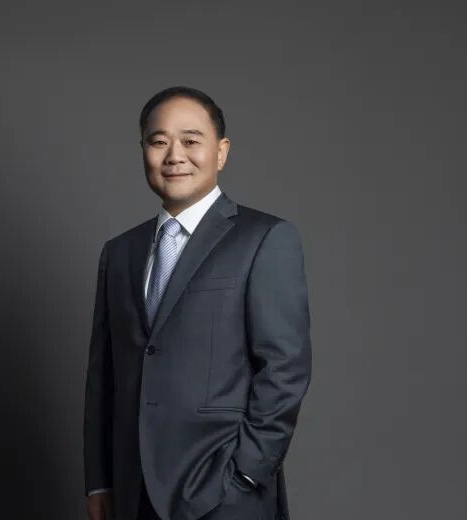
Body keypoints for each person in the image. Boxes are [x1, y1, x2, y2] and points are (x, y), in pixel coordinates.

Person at [84, 86, 312, 520]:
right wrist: (100, 479)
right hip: (132, 491)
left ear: (221, 152)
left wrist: (245, 474)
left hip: (224, 491)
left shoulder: (264, 239)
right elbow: (104, 375)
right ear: (143, 151)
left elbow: (285, 369)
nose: (175, 155)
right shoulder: (120, 252)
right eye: (158, 141)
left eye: (191, 140)